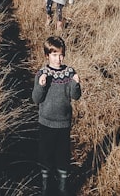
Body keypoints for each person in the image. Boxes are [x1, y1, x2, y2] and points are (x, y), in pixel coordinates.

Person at [32, 35, 82, 196]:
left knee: (62, 155)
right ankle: (46, 186)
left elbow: (75, 96)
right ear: (47, 56)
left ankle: (62, 187)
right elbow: (36, 99)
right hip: (46, 123)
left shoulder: (69, 72)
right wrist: (41, 85)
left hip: (64, 123)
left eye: (61, 54)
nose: (58, 58)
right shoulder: (42, 73)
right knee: (45, 154)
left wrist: (75, 84)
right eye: (54, 55)